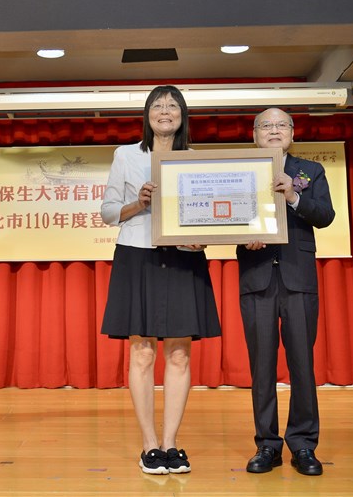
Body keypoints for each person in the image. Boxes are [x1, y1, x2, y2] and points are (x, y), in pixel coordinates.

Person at [100, 85, 221, 475]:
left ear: (182, 115)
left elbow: (207, 215)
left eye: (172, 105)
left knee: (180, 354)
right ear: (147, 114)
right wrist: (140, 202)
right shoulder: (126, 155)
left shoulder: (195, 160)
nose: (165, 111)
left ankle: (171, 444)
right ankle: (149, 445)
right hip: (138, 254)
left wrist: (204, 236)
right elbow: (107, 212)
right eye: (158, 105)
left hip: (184, 257)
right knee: (142, 353)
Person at [237, 108, 335, 476]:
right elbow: (226, 217)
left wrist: (294, 196)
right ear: (254, 134)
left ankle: (304, 444)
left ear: (292, 134)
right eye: (266, 125)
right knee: (261, 366)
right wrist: (243, 238)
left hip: (298, 278)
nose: (274, 130)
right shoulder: (239, 172)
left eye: (282, 125)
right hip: (257, 277)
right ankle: (267, 445)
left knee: (302, 365)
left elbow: (325, 216)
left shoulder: (310, 171)